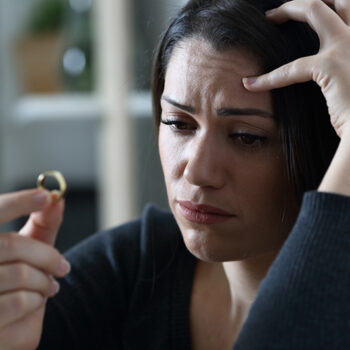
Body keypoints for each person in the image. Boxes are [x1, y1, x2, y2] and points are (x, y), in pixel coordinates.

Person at [0, 0, 349, 349]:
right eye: (179, 124)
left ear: (330, 140)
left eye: (247, 137)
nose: (197, 172)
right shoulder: (134, 268)